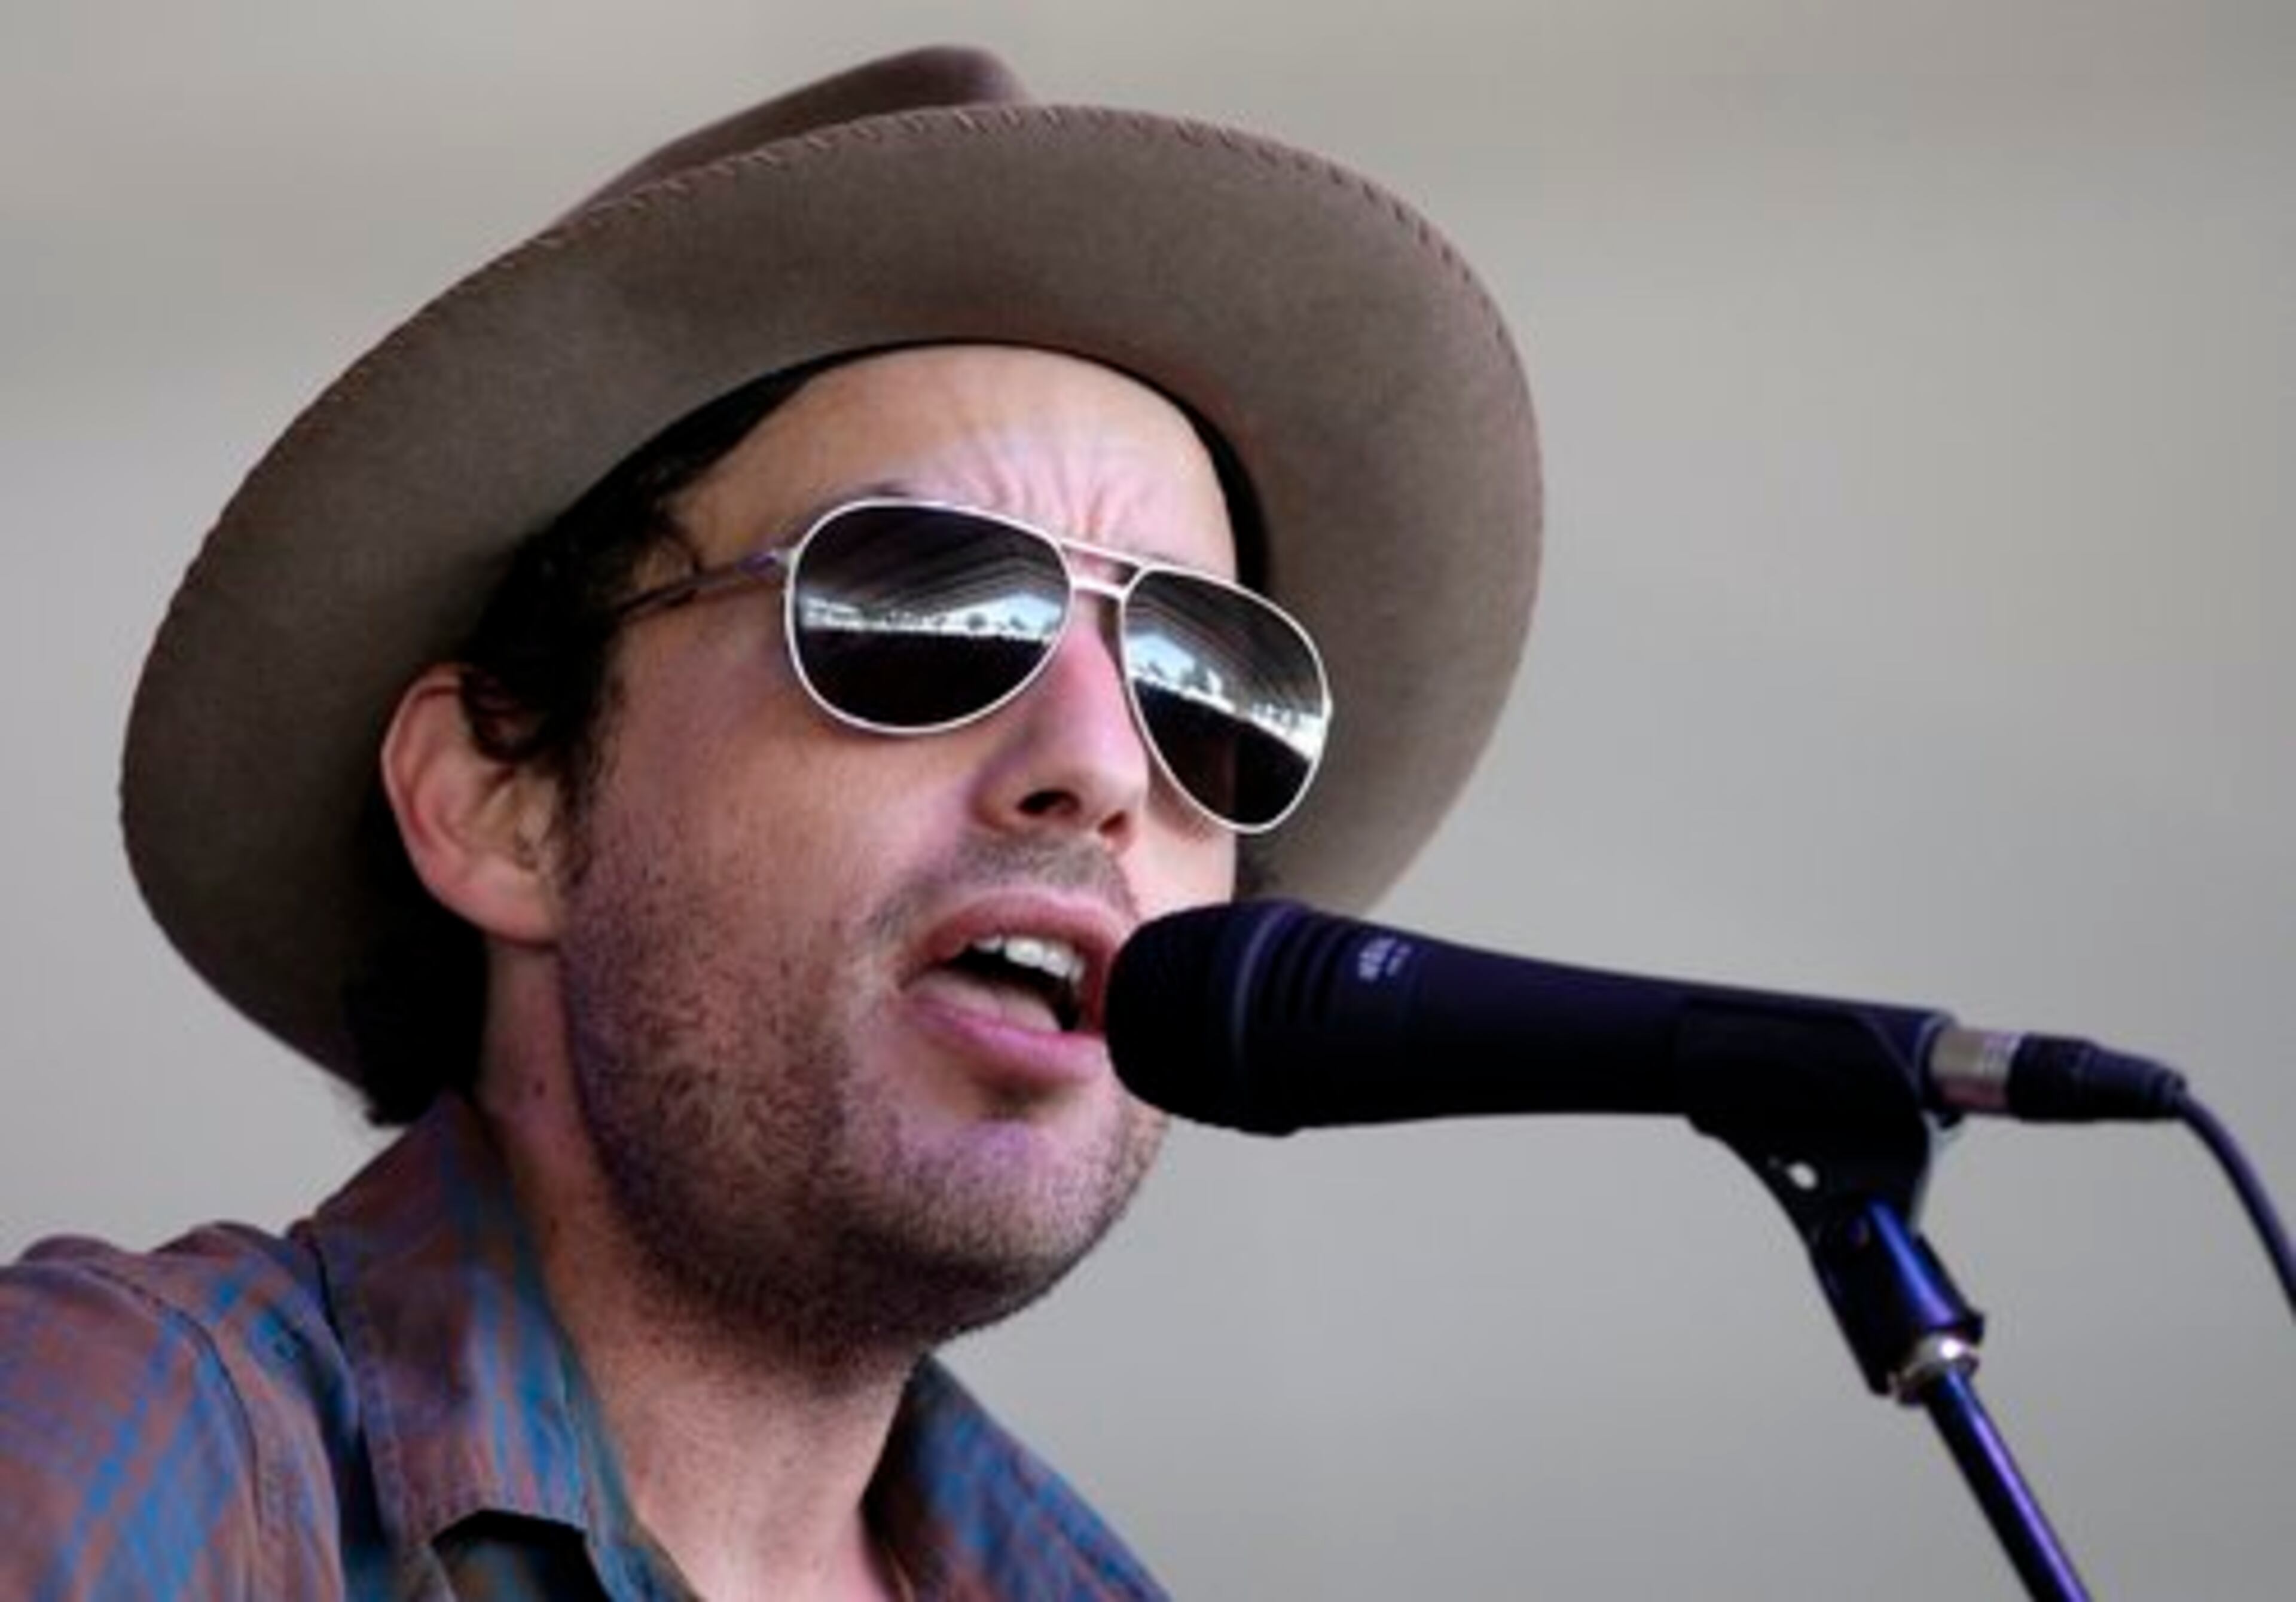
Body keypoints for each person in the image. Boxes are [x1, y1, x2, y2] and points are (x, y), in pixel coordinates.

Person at [0, 44, 1538, 1601]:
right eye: (923, 608)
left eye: (1211, 680)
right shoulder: (117, 1457)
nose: (1104, 763)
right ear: (498, 800)